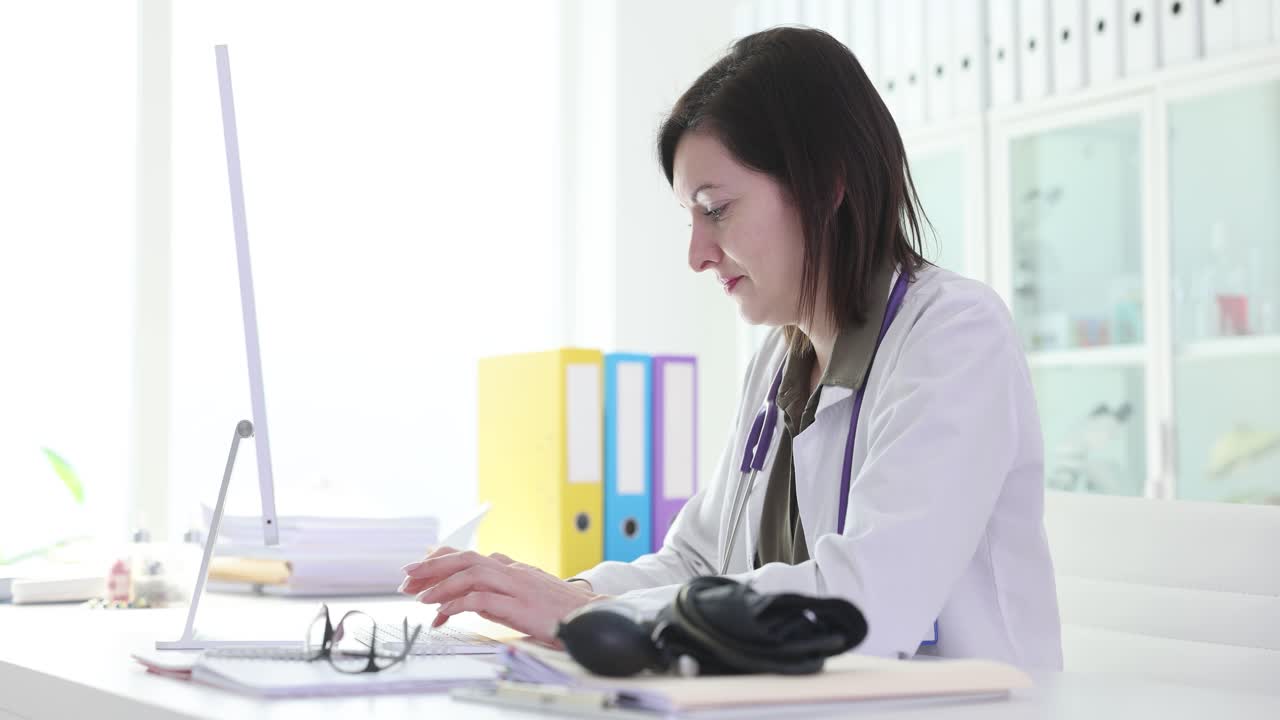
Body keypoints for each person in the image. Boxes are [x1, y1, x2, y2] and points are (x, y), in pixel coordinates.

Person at [398, 27, 1063, 670]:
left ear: (826, 184)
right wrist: (558, 593)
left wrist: (586, 614)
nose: (697, 254)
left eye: (715, 209)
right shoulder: (781, 360)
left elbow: (870, 603)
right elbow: (697, 563)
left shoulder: (953, 335)